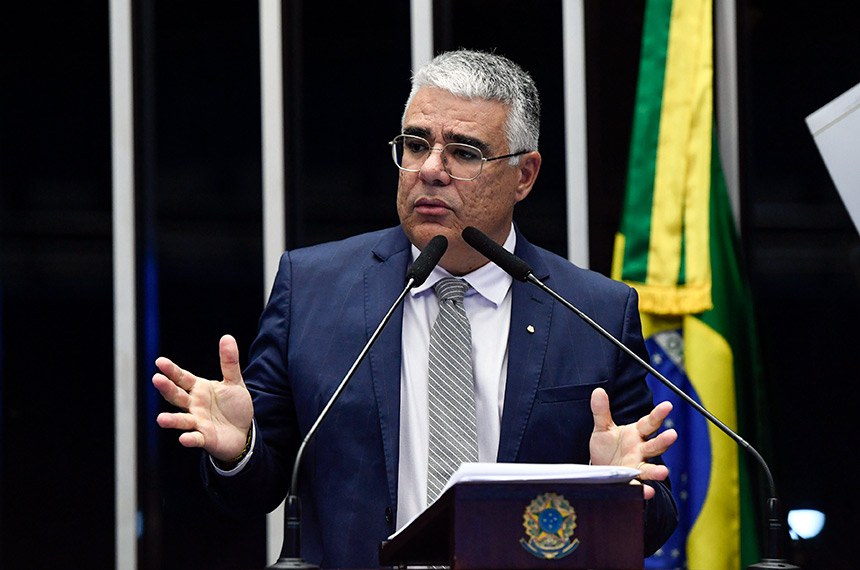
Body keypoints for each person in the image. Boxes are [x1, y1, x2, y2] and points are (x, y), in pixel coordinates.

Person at [152, 49, 678, 568]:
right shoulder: (312, 288)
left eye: (465, 153)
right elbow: (256, 489)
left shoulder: (595, 314)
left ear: (525, 174)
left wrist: (624, 491)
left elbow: (652, 528)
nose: (430, 170)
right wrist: (238, 449)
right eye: (415, 144)